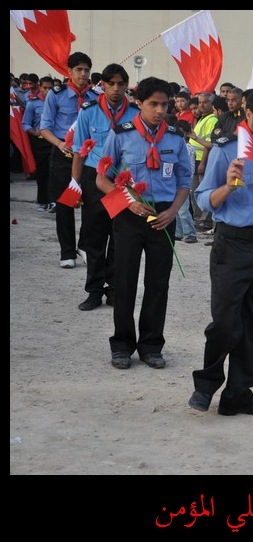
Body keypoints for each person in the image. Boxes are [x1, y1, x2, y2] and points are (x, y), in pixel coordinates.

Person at [188, 86, 253, 416]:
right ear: (248, 115)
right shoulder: (227, 151)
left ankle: (238, 393)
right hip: (231, 245)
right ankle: (206, 385)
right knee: (226, 323)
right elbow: (204, 200)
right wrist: (228, 186)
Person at [95, 76, 192, 370]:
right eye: (153, 104)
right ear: (139, 103)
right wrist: (127, 201)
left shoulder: (175, 138)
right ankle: (122, 345)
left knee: (158, 283)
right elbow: (102, 179)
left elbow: (184, 181)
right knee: (124, 281)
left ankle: (151, 345)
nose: (160, 110)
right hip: (131, 214)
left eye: (165, 104)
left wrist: (173, 211)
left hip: (163, 217)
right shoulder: (121, 135)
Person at [71, 63, 138, 311]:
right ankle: (94, 291)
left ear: (126, 85)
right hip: (94, 179)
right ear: (103, 85)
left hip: (122, 180)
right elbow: (79, 150)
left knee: (119, 237)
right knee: (95, 237)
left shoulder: (135, 113)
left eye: (121, 84)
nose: (116, 89)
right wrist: (75, 184)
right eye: (111, 84)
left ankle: (113, 290)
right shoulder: (88, 111)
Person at [39, 51, 98, 268]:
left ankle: (84, 245)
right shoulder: (56, 95)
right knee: (65, 204)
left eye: (86, 70)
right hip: (64, 153)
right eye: (79, 70)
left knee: (91, 203)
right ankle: (67, 252)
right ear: (69, 71)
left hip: (88, 156)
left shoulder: (95, 97)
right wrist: (59, 143)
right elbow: (44, 127)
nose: (83, 74)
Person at [22, 75, 55, 211]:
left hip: (56, 140)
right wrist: (34, 132)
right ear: (40, 88)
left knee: (55, 172)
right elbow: (25, 123)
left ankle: (54, 201)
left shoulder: (58, 102)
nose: (47, 91)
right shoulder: (33, 103)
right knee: (42, 172)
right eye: (45, 88)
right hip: (40, 142)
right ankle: (42, 201)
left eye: (50, 88)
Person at [188, 92, 218, 230]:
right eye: (200, 102)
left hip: (202, 159)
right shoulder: (201, 118)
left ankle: (205, 221)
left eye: (205, 102)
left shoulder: (212, 120)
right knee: (194, 191)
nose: (201, 105)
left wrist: (203, 163)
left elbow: (208, 144)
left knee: (204, 191)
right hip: (194, 158)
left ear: (211, 104)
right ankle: (198, 218)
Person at [173, 119, 199, 243]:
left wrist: (187, 183)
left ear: (186, 133)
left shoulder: (189, 148)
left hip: (183, 182)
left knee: (183, 210)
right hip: (174, 181)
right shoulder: (176, 146)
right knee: (176, 209)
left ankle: (190, 233)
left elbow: (190, 167)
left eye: (181, 131)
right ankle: (178, 232)